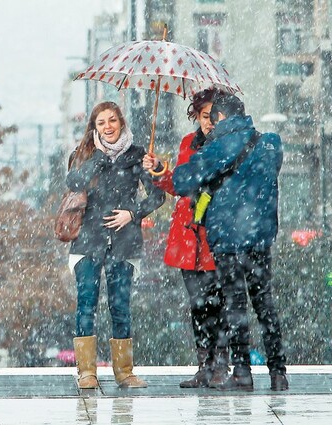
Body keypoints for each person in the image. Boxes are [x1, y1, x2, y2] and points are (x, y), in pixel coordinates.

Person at [172, 93, 288, 391]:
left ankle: (243, 372)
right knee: (265, 304)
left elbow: (184, 181)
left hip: (226, 241)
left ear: (220, 117)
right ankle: (278, 372)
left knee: (235, 305)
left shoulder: (218, 146)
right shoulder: (269, 142)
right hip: (260, 238)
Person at [66, 101, 165, 389]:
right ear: (94, 127)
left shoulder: (137, 156)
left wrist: (132, 213)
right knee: (86, 305)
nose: (108, 127)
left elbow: (157, 196)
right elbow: (73, 183)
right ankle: (86, 372)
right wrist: (96, 159)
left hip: (124, 242)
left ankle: (124, 371)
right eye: (101, 122)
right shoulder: (84, 154)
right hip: (89, 242)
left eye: (112, 120)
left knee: (120, 306)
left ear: (121, 122)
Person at [142, 88, 229, 388]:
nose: (210, 122)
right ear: (197, 116)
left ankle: (221, 365)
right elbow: (178, 183)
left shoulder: (230, 145)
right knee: (197, 305)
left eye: (215, 116)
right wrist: (159, 171)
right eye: (205, 116)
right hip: (189, 236)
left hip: (217, 233)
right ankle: (203, 365)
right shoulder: (188, 144)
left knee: (218, 303)